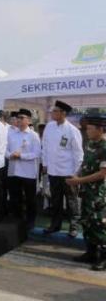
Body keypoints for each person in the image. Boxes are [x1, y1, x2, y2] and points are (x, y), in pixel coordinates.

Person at [66, 113, 106, 271]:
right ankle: (91, 253)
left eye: (89, 129)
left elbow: (102, 174)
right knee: (87, 221)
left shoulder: (104, 147)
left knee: (99, 224)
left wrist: (78, 181)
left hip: (99, 195)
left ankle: (103, 257)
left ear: (100, 129)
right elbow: (85, 164)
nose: (87, 131)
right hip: (87, 191)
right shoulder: (90, 143)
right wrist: (77, 174)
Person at [42, 100, 83, 237]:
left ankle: (73, 227)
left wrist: (76, 173)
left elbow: (78, 153)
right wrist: (45, 163)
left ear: (63, 113)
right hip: (53, 171)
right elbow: (45, 147)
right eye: (52, 111)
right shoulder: (49, 126)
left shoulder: (72, 130)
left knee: (72, 201)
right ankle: (55, 225)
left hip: (68, 172)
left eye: (55, 111)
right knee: (56, 200)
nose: (52, 113)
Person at [6, 109, 41, 230]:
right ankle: (17, 219)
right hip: (13, 170)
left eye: (22, 118)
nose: (19, 120)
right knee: (15, 197)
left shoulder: (33, 135)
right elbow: (5, 149)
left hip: (28, 172)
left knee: (30, 198)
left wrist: (21, 156)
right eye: (18, 118)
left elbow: (36, 153)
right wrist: (9, 155)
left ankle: (31, 220)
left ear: (29, 120)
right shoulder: (11, 134)